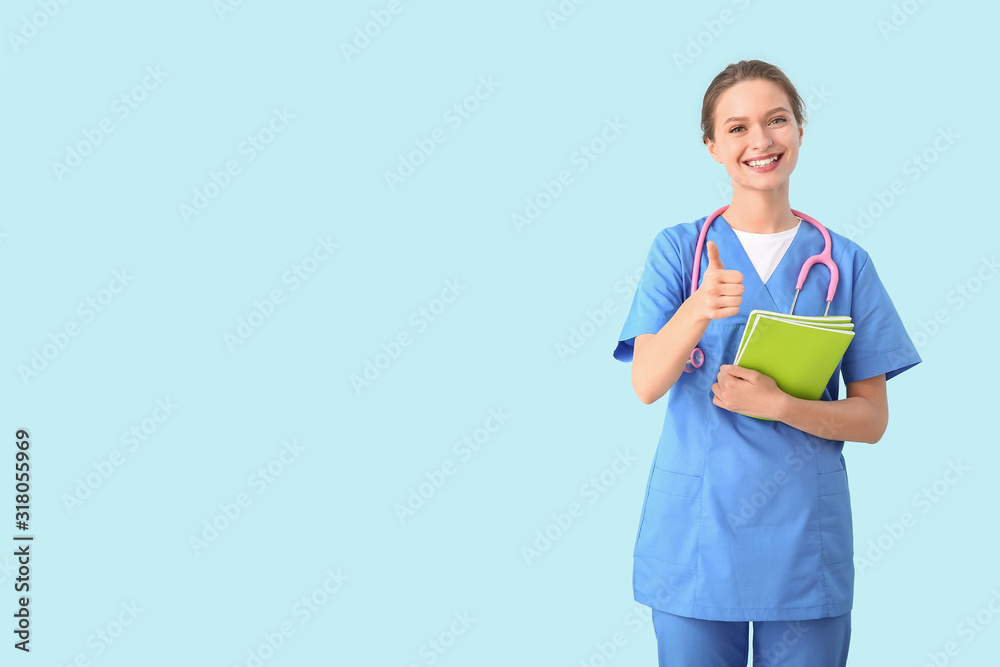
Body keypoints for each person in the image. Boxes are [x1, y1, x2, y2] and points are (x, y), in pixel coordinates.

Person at [612, 59, 921, 666]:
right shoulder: (679, 251)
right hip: (696, 541)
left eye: (777, 120)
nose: (760, 140)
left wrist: (781, 406)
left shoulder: (845, 263)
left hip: (802, 546)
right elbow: (645, 383)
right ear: (712, 146)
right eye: (737, 128)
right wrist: (698, 309)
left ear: (799, 130)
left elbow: (872, 420)